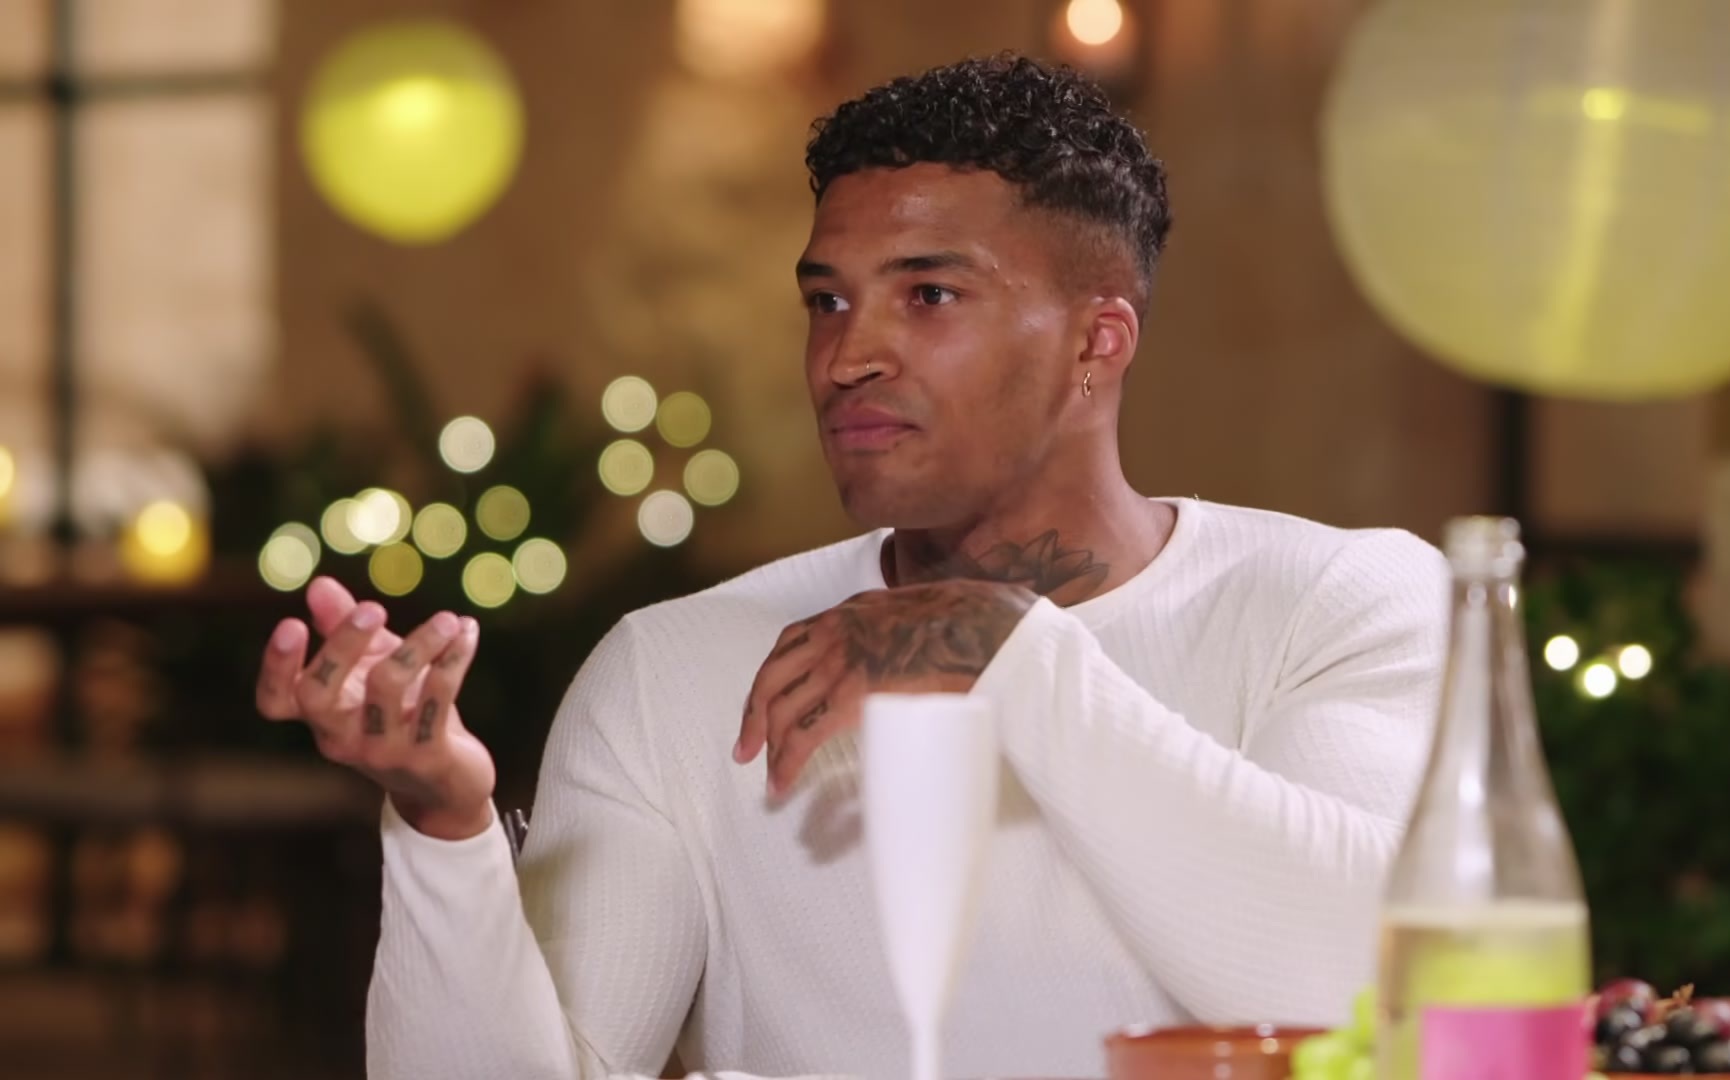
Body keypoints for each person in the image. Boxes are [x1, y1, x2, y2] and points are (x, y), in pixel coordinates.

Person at [254, 53, 1450, 1080]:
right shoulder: (679, 669)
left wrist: (1008, 651)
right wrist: (444, 829)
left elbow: (1366, 985)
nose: (846, 358)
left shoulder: (1337, 604)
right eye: (827, 302)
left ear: (1097, 343)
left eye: (928, 294)